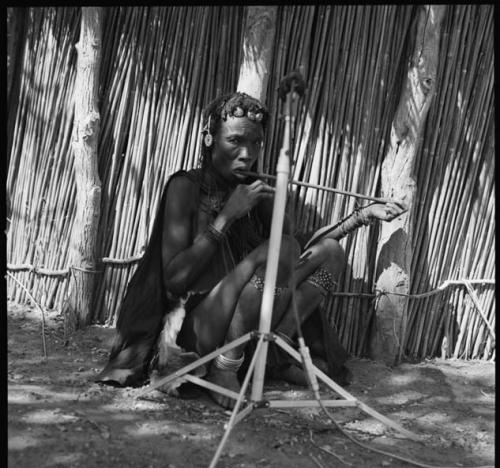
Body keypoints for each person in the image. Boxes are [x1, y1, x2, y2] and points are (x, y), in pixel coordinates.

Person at [96, 91, 406, 409]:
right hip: (195, 328)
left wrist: (360, 217)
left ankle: (272, 356)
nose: (247, 154)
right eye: (235, 141)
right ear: (208, 138)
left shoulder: (252, 191)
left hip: (243, 316)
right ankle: (223, 369)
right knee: (281, 248)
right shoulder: (184, 187)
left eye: (256, 144)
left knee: (329, 252)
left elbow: (295, 248)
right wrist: (227, 216)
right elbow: (174, 280)